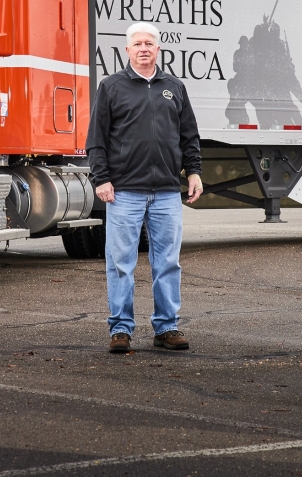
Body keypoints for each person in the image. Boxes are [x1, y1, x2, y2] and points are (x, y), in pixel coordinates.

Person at [86, 22, 203, 354]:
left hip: (167, 192)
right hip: (124, 192)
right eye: (137, 43)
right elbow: (96, 140)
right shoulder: (111, 87)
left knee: (167, 262)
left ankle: (167, 327)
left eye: (149, 43)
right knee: (121, 262)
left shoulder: (174, 88)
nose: (143, 48)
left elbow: (189, 136)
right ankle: (121, 329)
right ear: (127, 50)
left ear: (158, 49)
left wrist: (193, 172)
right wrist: (101, 179)